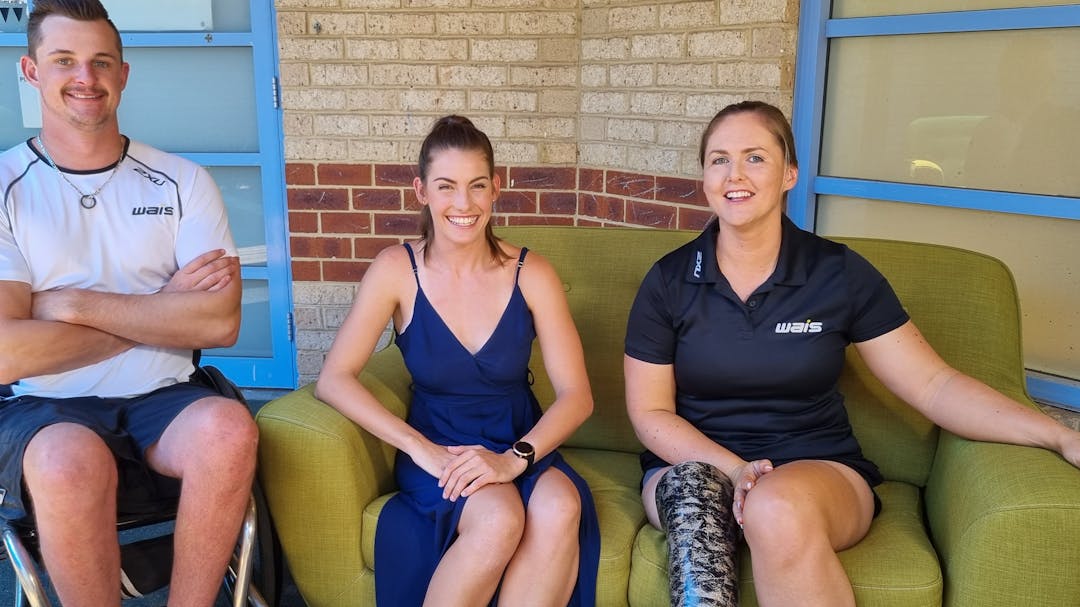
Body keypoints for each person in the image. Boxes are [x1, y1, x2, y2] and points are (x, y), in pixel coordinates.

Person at [623, 100, 1080, 607]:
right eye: (719, 159)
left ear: (789, 173)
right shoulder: (669, 281)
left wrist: (1059, 437)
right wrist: (735, 470)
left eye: (755, 157)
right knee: (693, 494)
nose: (735, 174)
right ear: (704, 175)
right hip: (696, 465)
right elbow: (650, 413)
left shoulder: (838, 273)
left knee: (773, 506)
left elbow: (934, 385)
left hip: (819, 469)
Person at [0, 1, 257, 605]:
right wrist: (160, 309)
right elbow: (7, 351)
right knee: (69, 463)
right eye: (64, 60)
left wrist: (68, 304)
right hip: (43, 406)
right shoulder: (6, 187)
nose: (84, 77)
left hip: (162, 398)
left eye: (100, 61)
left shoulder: (182, 182)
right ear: (32, 71)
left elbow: (219, 322)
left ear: (123, 73)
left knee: (228, 432)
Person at [315, 115, 600, 606]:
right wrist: (419, 448)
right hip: (440, 446)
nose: (463, 204)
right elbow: (334, 380)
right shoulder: (394, 270)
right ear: (421, 190)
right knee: (499, 517)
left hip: (518, 438)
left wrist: (516, 459)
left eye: (477, 186)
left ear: (496, 189)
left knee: (560, 505)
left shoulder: (532, 272)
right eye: (446, 186)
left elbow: (577, 397)